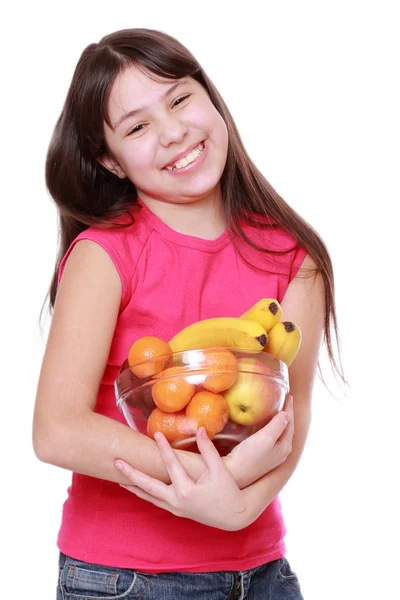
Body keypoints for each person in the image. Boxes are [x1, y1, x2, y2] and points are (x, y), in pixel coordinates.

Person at [33, 28, 344, 599]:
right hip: (121, 579)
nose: (173, 132)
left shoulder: (296, 258)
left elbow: (289, 417)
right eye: (137, 127)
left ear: (210, 96)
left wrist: (238, 508)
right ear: (111, 160)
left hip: (262, 575)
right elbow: (57, 430)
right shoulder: (104, 256)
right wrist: (210, 481)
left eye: (179, 98)